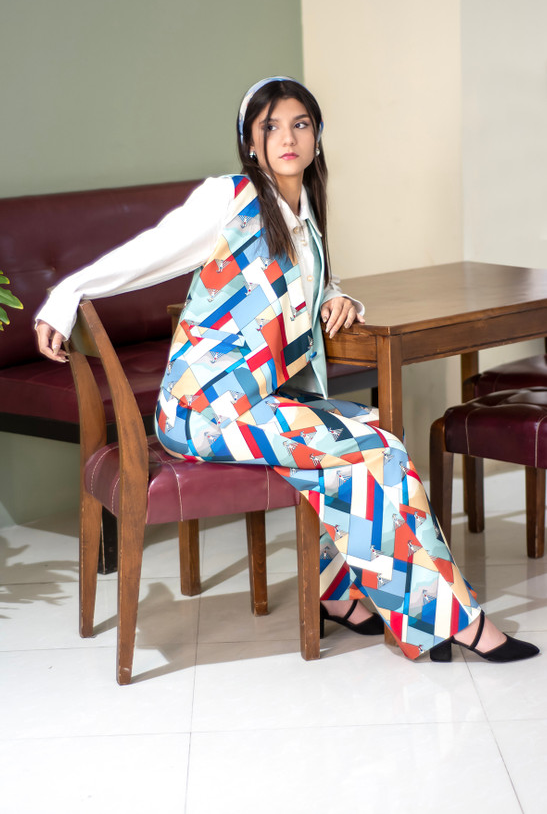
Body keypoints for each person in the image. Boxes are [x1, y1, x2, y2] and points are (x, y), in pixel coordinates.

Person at [36, 75, 539, 664]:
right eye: (270, 127)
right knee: (373, 449)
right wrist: (66, 294)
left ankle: (339, 594)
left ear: (317, 136)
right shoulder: (228, 198)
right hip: (204, 410)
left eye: (300, 124)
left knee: (372, 435)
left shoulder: (303, 215)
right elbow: (147, 252)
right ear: (250, 142)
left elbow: (304, 283)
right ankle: (459, 623)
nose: (287, 138)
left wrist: (340, 296)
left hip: (254, 404)